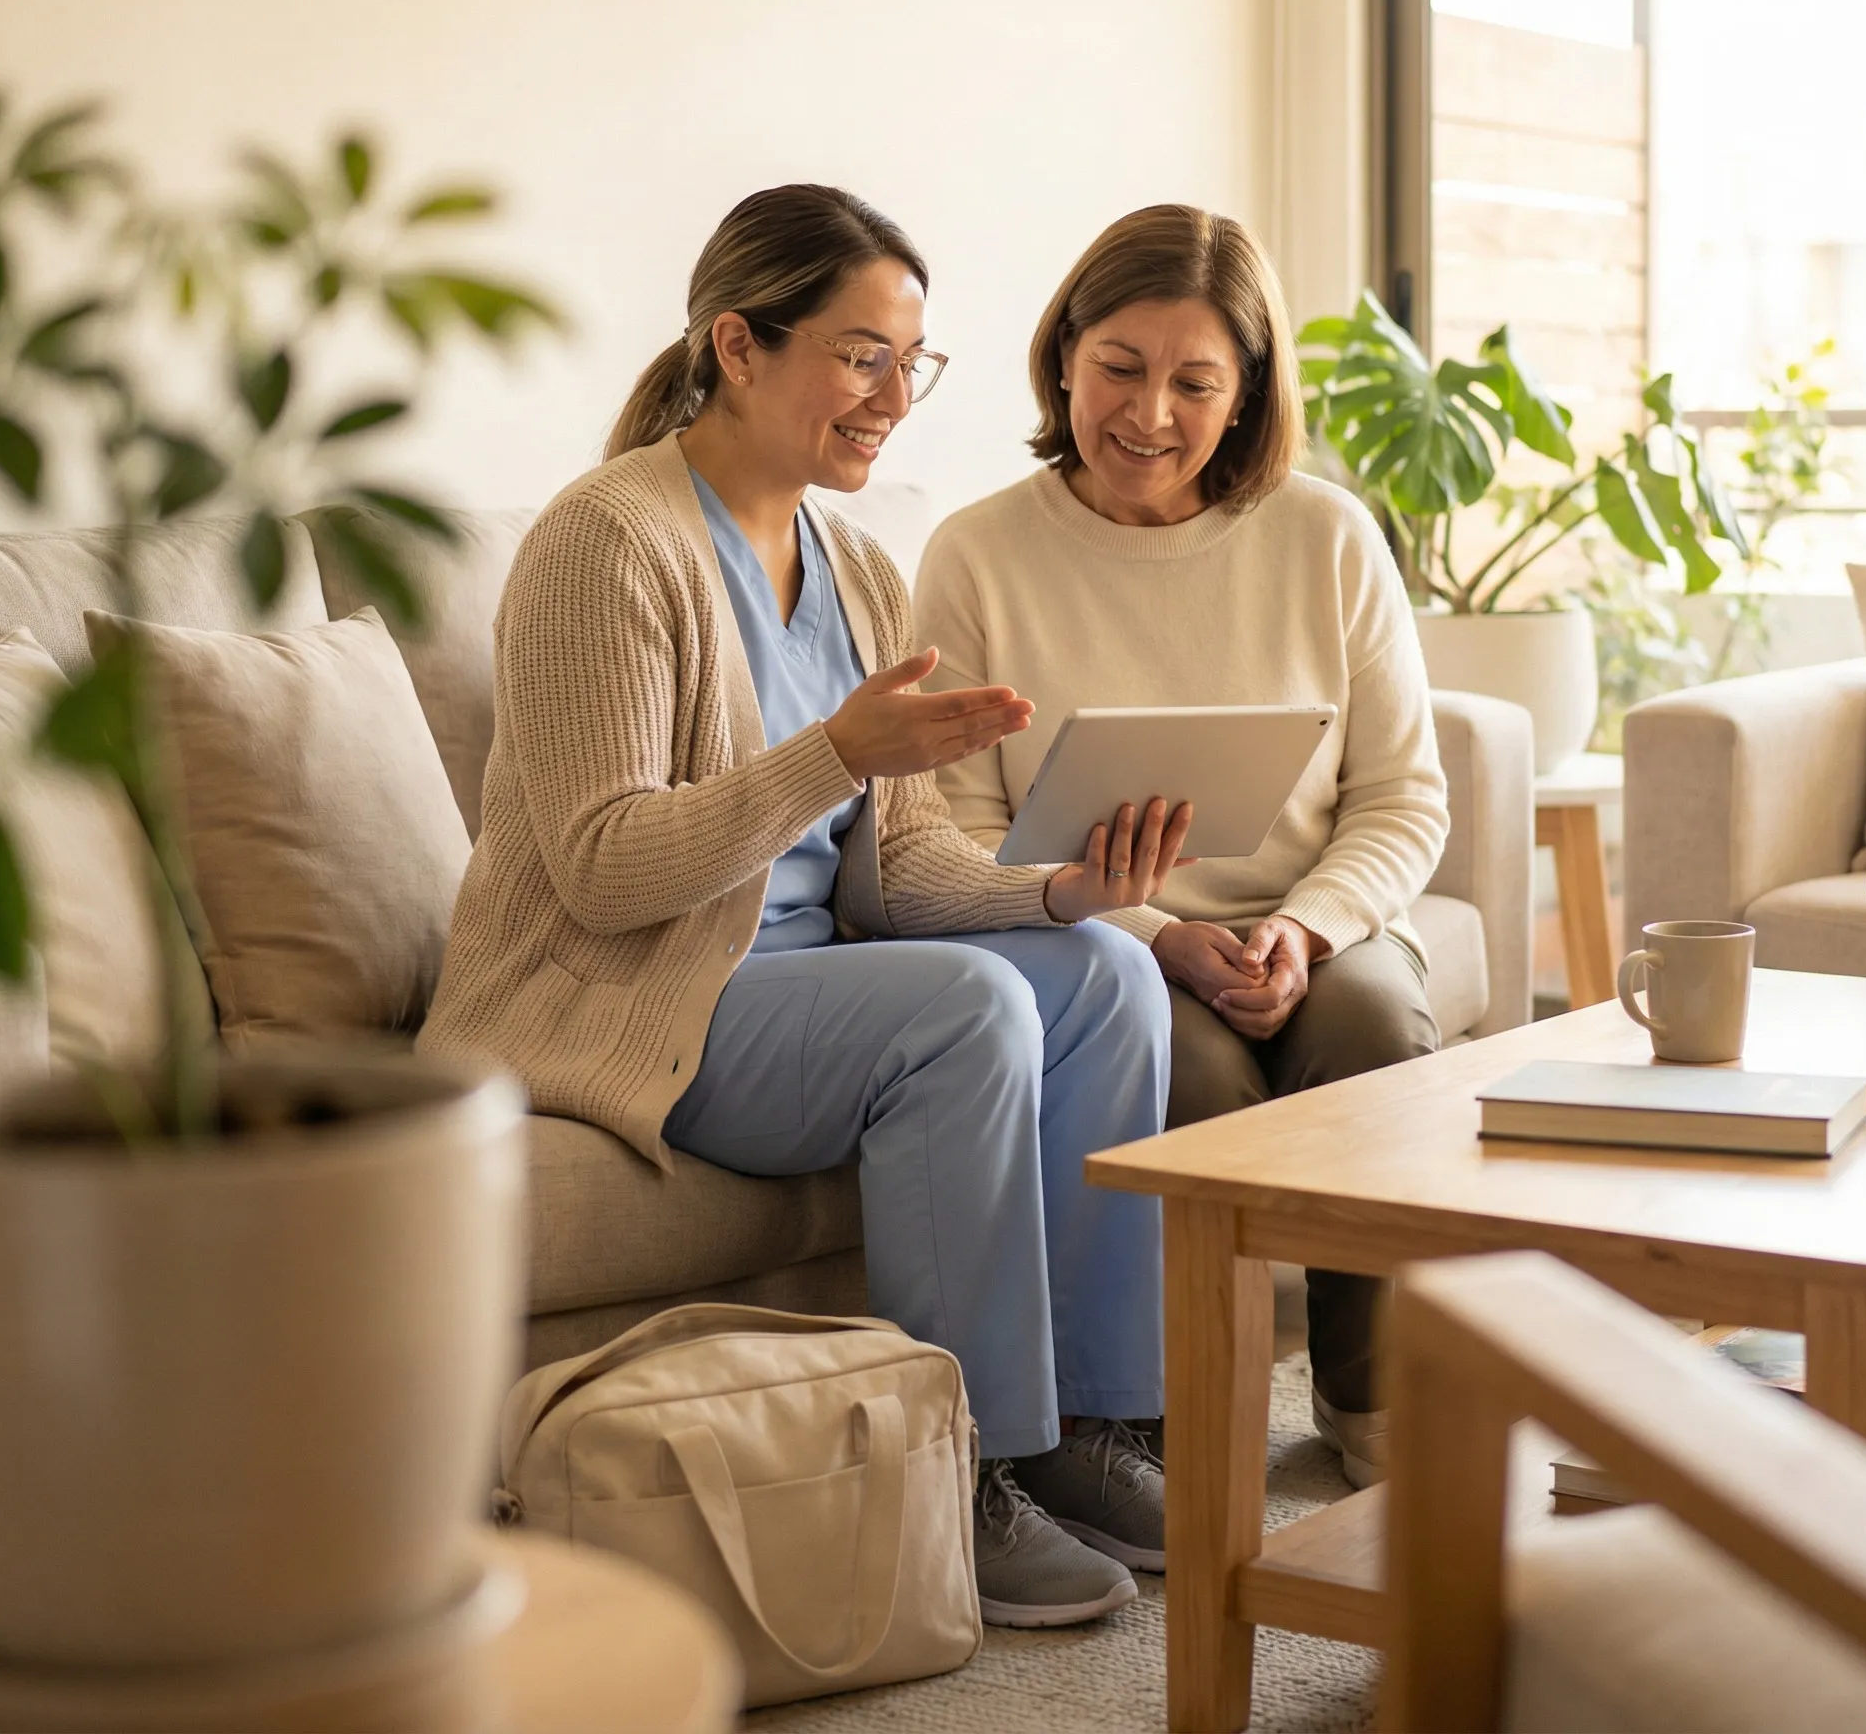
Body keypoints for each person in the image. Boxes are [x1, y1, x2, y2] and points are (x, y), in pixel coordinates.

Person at [419, 185, 1194, 1628]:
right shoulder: (610, 540)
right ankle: (955, 1467)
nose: (893, 397)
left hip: (799, 987)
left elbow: (892, 872)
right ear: (739, 345)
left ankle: (1091, 1427)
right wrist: (830, 754)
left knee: (1103, 974)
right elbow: (601, 870)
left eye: (913, 361)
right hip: (628, 997)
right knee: (962, 1008)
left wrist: (1067, 890)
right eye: (860, 356)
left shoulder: (857, 566)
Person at [913, 203, 1450, 1489]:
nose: (1149, 413)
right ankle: (1170, 1429)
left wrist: (1301, 927)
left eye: (1194, 382)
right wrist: (1162, 935)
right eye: (1119, 368)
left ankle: (1371, 1411)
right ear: (1061, 356)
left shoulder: (1324, 537)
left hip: (1317, 926)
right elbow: (953, 829)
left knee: (1371, 1036)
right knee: (1188, 1073)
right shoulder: (978, 554)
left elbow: (1401, 797)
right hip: (1105, 945)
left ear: (1246, 393)